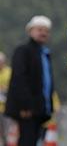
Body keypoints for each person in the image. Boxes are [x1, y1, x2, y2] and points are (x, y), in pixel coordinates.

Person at [5, 16, 55, 146]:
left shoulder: (45, 54)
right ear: (30, 31)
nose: (43, 33)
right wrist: (25, 105)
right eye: (39, 29)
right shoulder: (23, 51)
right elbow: (19, 79)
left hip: (40, 108)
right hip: (27, 109)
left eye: (46, 30)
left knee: (34, 140)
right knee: (27, 140)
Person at [0, 52, 12, 146]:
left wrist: (5, 89)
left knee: (5, 133)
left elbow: (14, 87)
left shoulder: (9, 72)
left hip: (6, 109)